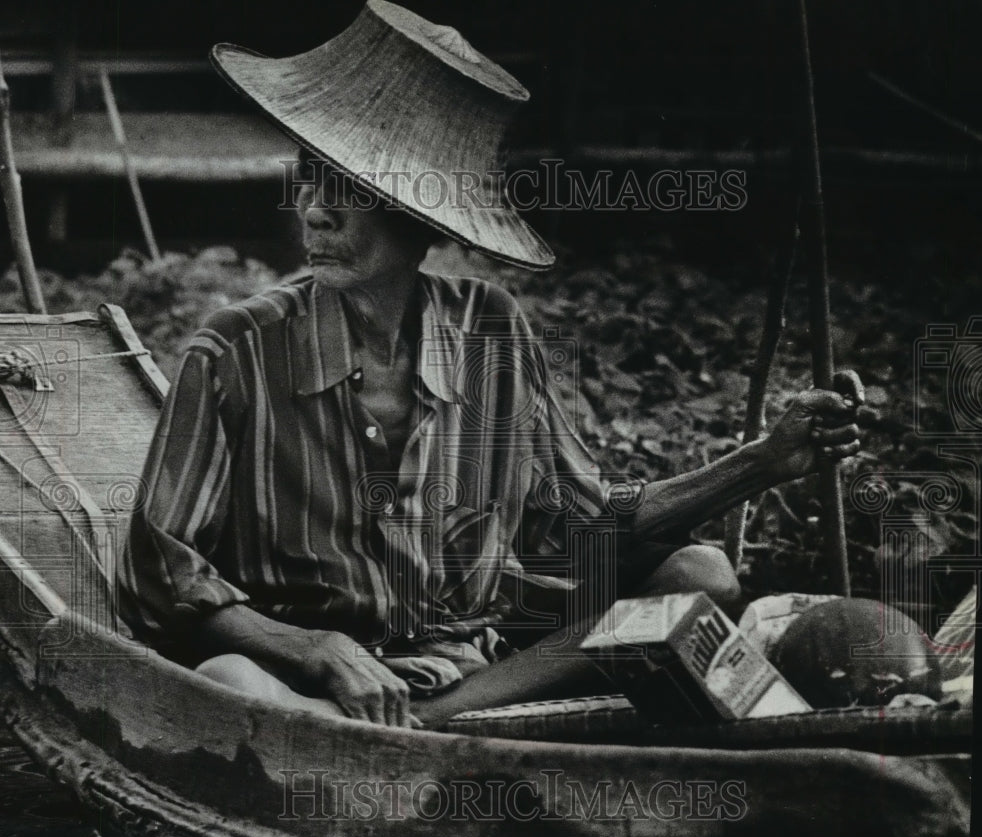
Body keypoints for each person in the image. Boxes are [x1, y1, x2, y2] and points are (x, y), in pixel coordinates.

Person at [119, 0, 863, 729]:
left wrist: (763, 461)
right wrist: (315, 648)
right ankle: (373, 717)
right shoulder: (235, 349)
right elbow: (158, 570)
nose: (316, 211)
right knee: (229, 680)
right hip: (300, 673)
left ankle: (437, 717)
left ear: (422, 217)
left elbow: (587, 523)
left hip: (467, 666)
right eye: (311, 178)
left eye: (353, 190)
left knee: (700, 575)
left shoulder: (491, 330)